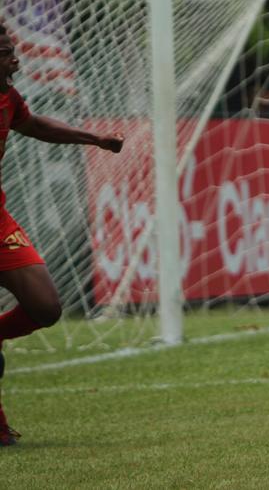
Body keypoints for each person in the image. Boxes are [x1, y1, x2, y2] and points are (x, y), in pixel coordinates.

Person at [0, 27, 124, 446]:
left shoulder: (9, 98)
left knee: (46, 306)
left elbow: (32, 124)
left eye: (13, 53)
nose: (15, 61)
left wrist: (92, 138)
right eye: (5, 54)